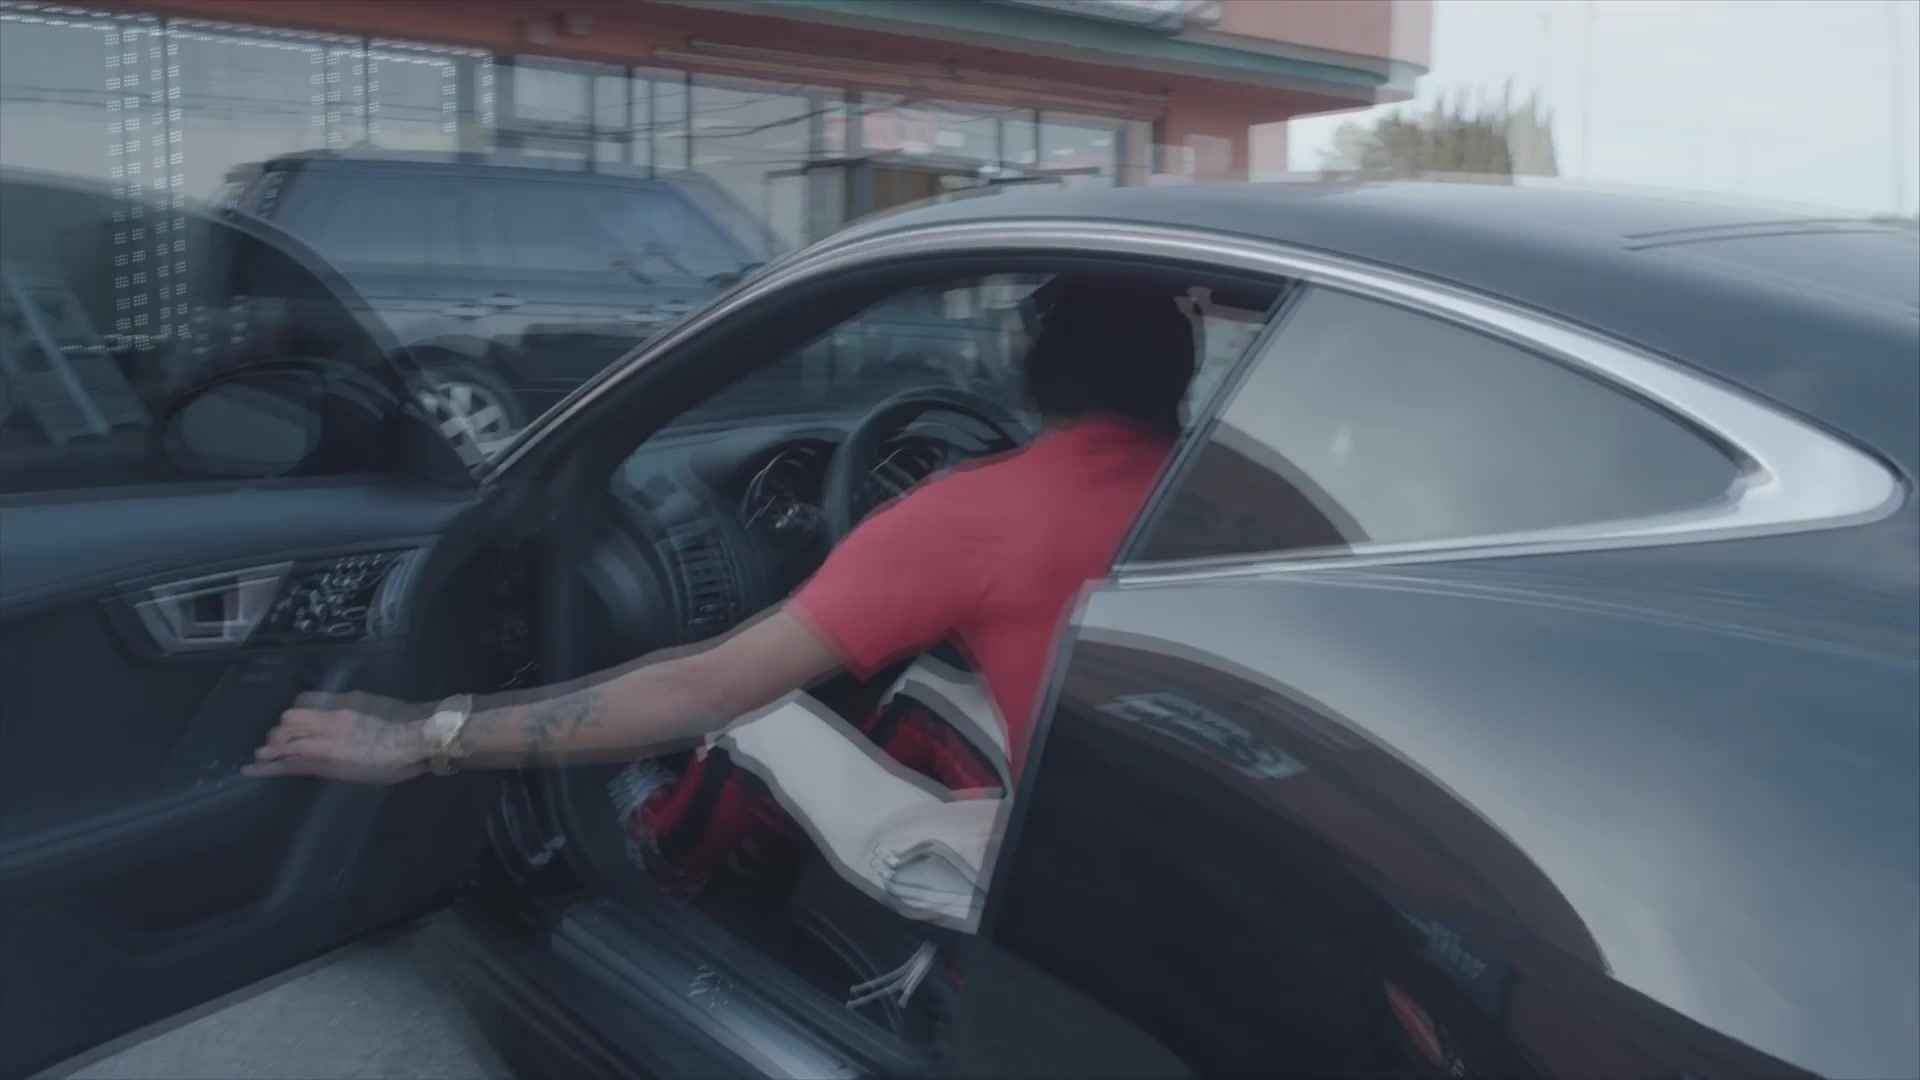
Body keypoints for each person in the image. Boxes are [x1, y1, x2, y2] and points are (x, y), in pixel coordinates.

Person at [244, 280, 1200, 876]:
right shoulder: (1227, 485)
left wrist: (426, 734)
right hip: (1175, 820)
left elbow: (701, 691)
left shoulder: (975, 513)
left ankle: (656, 852)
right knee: (920, 687)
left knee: (760, 723)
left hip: (1060, 875)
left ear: (1036, 370)